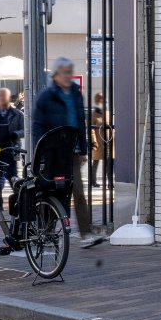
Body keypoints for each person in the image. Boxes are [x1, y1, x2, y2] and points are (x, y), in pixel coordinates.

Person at [32, 58, 102, 247]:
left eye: (70, 72)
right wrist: (41, 151)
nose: (68, 76)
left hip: (72, 151)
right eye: (65, 72)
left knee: (78, 191)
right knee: (52, 192)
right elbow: (37, 126)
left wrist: (83, 148)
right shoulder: (46, 96)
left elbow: (80, 122)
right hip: (52, 152)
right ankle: (46, 232)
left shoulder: (75, 94)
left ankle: (85, 234)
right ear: (56, 74)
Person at [88, 91, 108, 187]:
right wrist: (94, 141)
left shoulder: (106, 112)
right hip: (98, 141)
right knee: (96, 162)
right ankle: (93, 181)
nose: (103, 101)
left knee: (109, 162)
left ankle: (110, 182)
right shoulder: (94, 113)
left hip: (107, 140)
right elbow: (91, 128)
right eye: (101, 99)